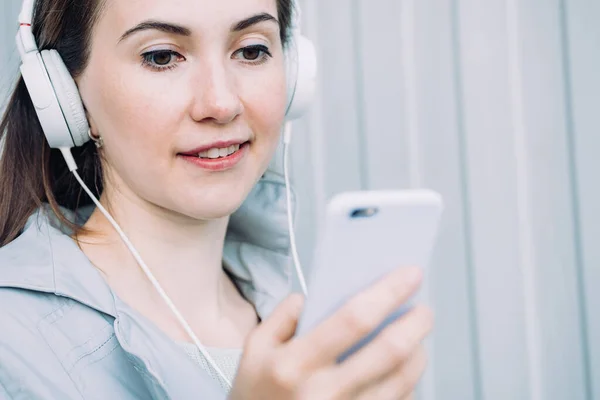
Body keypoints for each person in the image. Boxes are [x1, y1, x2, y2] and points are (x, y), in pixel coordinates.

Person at [0, 0, 433, 398]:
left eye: (250, 51)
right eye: (162, 57)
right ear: (65, 95)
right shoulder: (14, 341)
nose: (221, 104)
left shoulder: (298, 317)